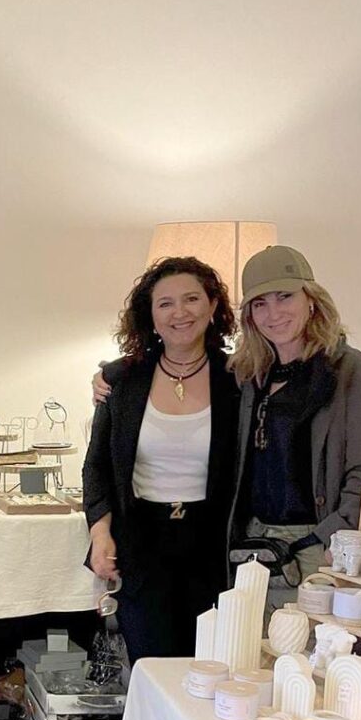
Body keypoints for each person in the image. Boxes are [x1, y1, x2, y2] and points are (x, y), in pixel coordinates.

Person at [83, 256, 238, 660]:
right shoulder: (122, 379)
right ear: (150, 315)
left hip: (213, 547)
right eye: (165, 303)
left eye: (191, 299)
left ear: (213, 306)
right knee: (151, 670)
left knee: (208, 673)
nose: (179, 312)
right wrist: (101, 536)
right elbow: (96, 464)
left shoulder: (238, 378)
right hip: (142, 545)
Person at [226, 244, 361, 609]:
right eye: (259, 303)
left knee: (305, 661)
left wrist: (334, 541)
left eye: (284, 296)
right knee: (247, 657)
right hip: (250, 550)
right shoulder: (246, 375)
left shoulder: (357, 375)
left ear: (311, 300)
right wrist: (110, 375)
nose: (273, 313)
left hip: (318, 549)